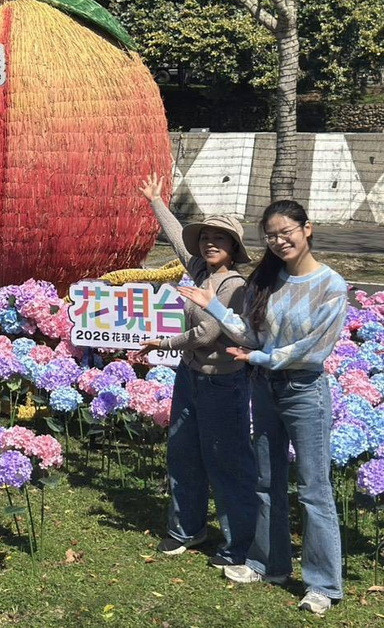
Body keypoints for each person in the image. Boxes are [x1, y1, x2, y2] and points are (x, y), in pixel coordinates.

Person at [180, 200, 348, 616]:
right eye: (271, 235)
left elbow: (312, 349)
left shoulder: (332, 285)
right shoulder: (267, 280)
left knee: (314, 490)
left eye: (286, 231)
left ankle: (322, 583)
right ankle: (267, 563)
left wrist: (262, 359)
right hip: (264, 389)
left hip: (304, 392)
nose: (278, 241)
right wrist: (215, 305)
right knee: (266, 479)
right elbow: (250, 334)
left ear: (307, 229)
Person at [136, 174, 258, 570]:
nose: (209, 243)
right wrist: (156, 201)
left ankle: (236, 543)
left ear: (234, 248)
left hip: (224, 384)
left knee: (225, 462)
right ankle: (188, 528)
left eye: (219, 239)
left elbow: (206, 333)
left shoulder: (233, 285)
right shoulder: (201, 272)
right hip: (190, 379)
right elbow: (175, 236)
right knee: (183, 452)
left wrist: (163, 345)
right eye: (206, 237)